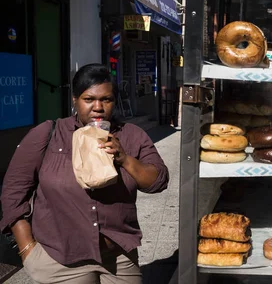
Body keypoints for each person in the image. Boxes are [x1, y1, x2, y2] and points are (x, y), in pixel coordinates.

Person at [0, 64, 169, 283]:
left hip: (118, 257)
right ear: (74, 100)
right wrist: (27, 249)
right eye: (88, 99)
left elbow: (158, 181)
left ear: (114, 102)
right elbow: (14, 191)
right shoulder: (49, 134)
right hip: (59, 260)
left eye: (106, 100)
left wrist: (125, 159)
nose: (97, 107)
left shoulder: (131, 136)